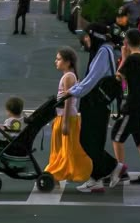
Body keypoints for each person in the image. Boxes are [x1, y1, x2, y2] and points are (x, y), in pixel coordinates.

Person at [61, 23, 126, 193]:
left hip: (97, 104)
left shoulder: (103, 52)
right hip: (95, 103)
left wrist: (73, 92)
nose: (85, 40)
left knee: (89, 141)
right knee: (92, 141)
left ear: (95, 37)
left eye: (88, 37)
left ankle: (111, 168)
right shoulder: (101, 51)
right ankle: (98, 177)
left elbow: (92, 79)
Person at [111, 28, 140, 184]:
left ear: (126, 42)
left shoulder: (131, 60)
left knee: (117, 136)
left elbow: (118, 77)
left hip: (132, 105)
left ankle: (121, 171)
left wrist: (123, 57)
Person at [45, 47, 92, 183]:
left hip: (67, 117)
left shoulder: (69, 77)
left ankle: (55, 174)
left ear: (68, 62)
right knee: (60, 149)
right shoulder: (68, 76)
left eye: (59, 59)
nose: (56, 61)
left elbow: (68, 101)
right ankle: (55, 174)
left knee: (66, 149)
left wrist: (65, 122)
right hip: (63, 116)